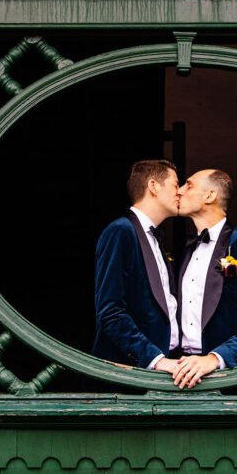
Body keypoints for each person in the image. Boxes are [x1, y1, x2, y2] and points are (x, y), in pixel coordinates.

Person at [174, 168, 237, 388]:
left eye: (188, 185)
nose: (179, 191)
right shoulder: (187, 249)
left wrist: (215, 358)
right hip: (181, 375)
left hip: (233, 379)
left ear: (210, 196)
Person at [92, 159, 180, 373]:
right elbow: (110, 312)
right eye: (176, 185)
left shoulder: (156, 238)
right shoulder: (120, 231)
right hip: (129, 374)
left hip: (167, 368)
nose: (180, 193)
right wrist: (155, 359)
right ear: (153, 186)